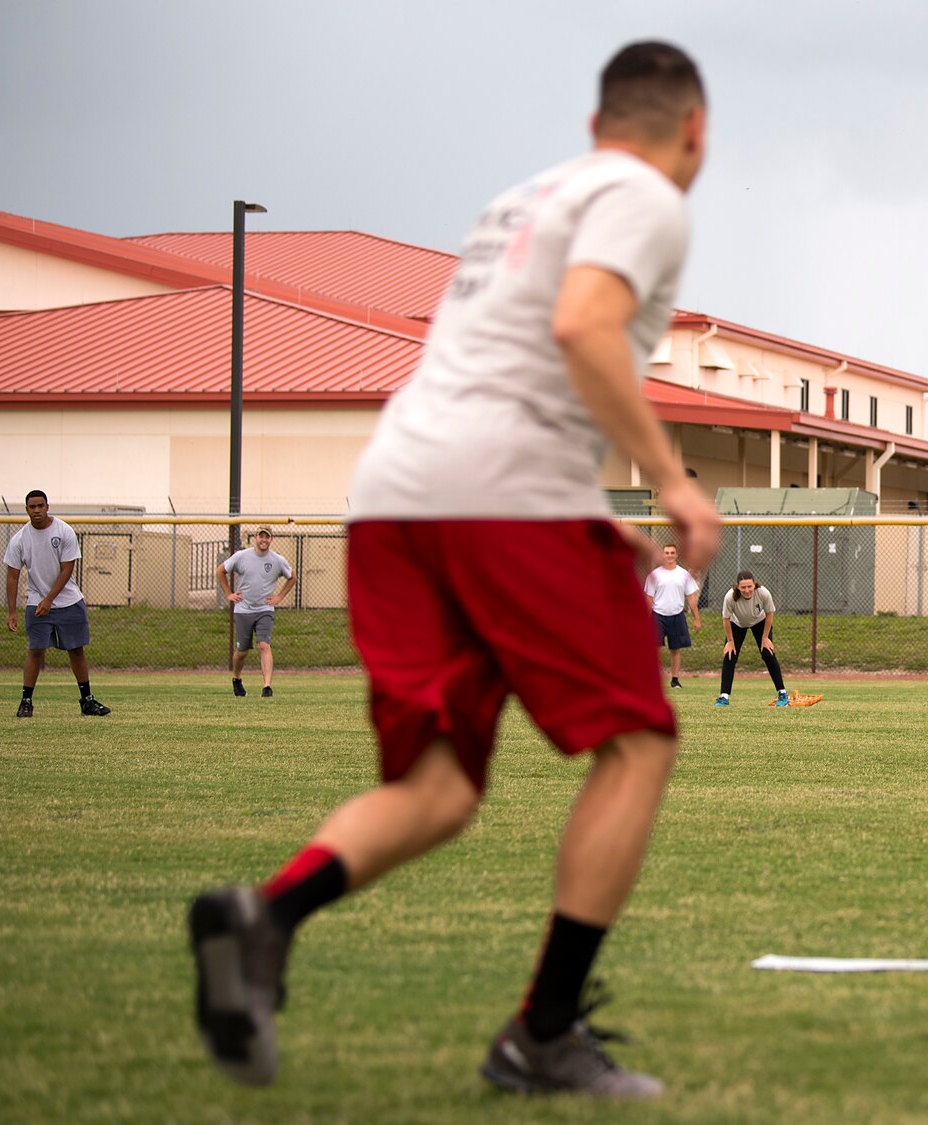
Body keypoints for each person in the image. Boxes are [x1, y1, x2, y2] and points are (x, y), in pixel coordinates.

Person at [186, 41, 718, 1099]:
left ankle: (265, 918)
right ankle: (543, 1034)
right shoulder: (646, 194)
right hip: (501, 494)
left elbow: (504, 355)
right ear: (693, 131)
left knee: (435, 788)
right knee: (636, 743)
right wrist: (670, 482)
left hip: (398, 497)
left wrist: (576, 512)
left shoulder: (522, 196)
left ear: (593, 120)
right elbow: (580, 327)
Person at [3, 489, 111, 718]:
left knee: (76, 650)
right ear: (27, 510)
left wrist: (49, 599)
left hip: (69, 601)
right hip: (36, 603)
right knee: (36, 651)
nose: (36, 510)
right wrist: (12, 611)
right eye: (32, 507)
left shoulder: (63, 531)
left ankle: (87, 701)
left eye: (40, 506)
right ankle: (26, 702)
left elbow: (67, 569)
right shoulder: (20, 539)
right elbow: (12, 576)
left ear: (47, 506)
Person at [218, 527, 297, 698]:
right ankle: (236, 679)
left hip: (264, 609)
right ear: (255, 538)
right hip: (243, 610)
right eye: (261, 536)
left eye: (267, 537)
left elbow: (292, 577)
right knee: (242, 651)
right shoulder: (241, 556)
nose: (264, 540)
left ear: (271, 540)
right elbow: (220, 571)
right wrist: (228, 593)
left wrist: (280, 597)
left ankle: (267, 687)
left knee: (264, 645)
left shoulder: (277, 560)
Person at [714, 571, 789, 707]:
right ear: (737, 587)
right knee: (730, 656)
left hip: (760, 622)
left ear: (754, 584)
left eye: (749, 586)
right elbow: (726, 619)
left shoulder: (763, 593)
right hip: (737, 624)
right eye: (743, 587)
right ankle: (724, 696)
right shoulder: (730, 597)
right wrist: (730, 642)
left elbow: (769, 614)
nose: (747, 590)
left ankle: (782, 693)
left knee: (768, 653)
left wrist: (765, 637)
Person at [643, 543, 702, 688]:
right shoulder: (654, 575)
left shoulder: (684, 575)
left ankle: (675, 680)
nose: (669, 555)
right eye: (667, 553)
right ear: (663, 555)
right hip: (658, 615)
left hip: (677, 615)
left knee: (675, 649)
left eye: (672, 553)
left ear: (676, 555)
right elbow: (649, 598)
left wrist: (697, 618)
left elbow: (691, 597)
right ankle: (654, 678)